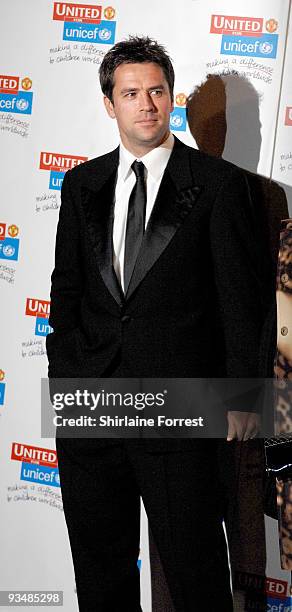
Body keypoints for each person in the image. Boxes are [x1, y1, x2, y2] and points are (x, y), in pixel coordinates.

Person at [46, 36, 271, 612]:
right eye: (130, 93)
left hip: (180, 407)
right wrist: (66, 376)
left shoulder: (218, 186)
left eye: (156, 91)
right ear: (109, 103)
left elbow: (243, 304)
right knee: (100, 575)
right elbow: (66, 291)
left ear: (170, 98)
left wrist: (243, 399)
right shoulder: (81, 185)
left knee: (195, 576)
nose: (145, 103)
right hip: (91, 407)